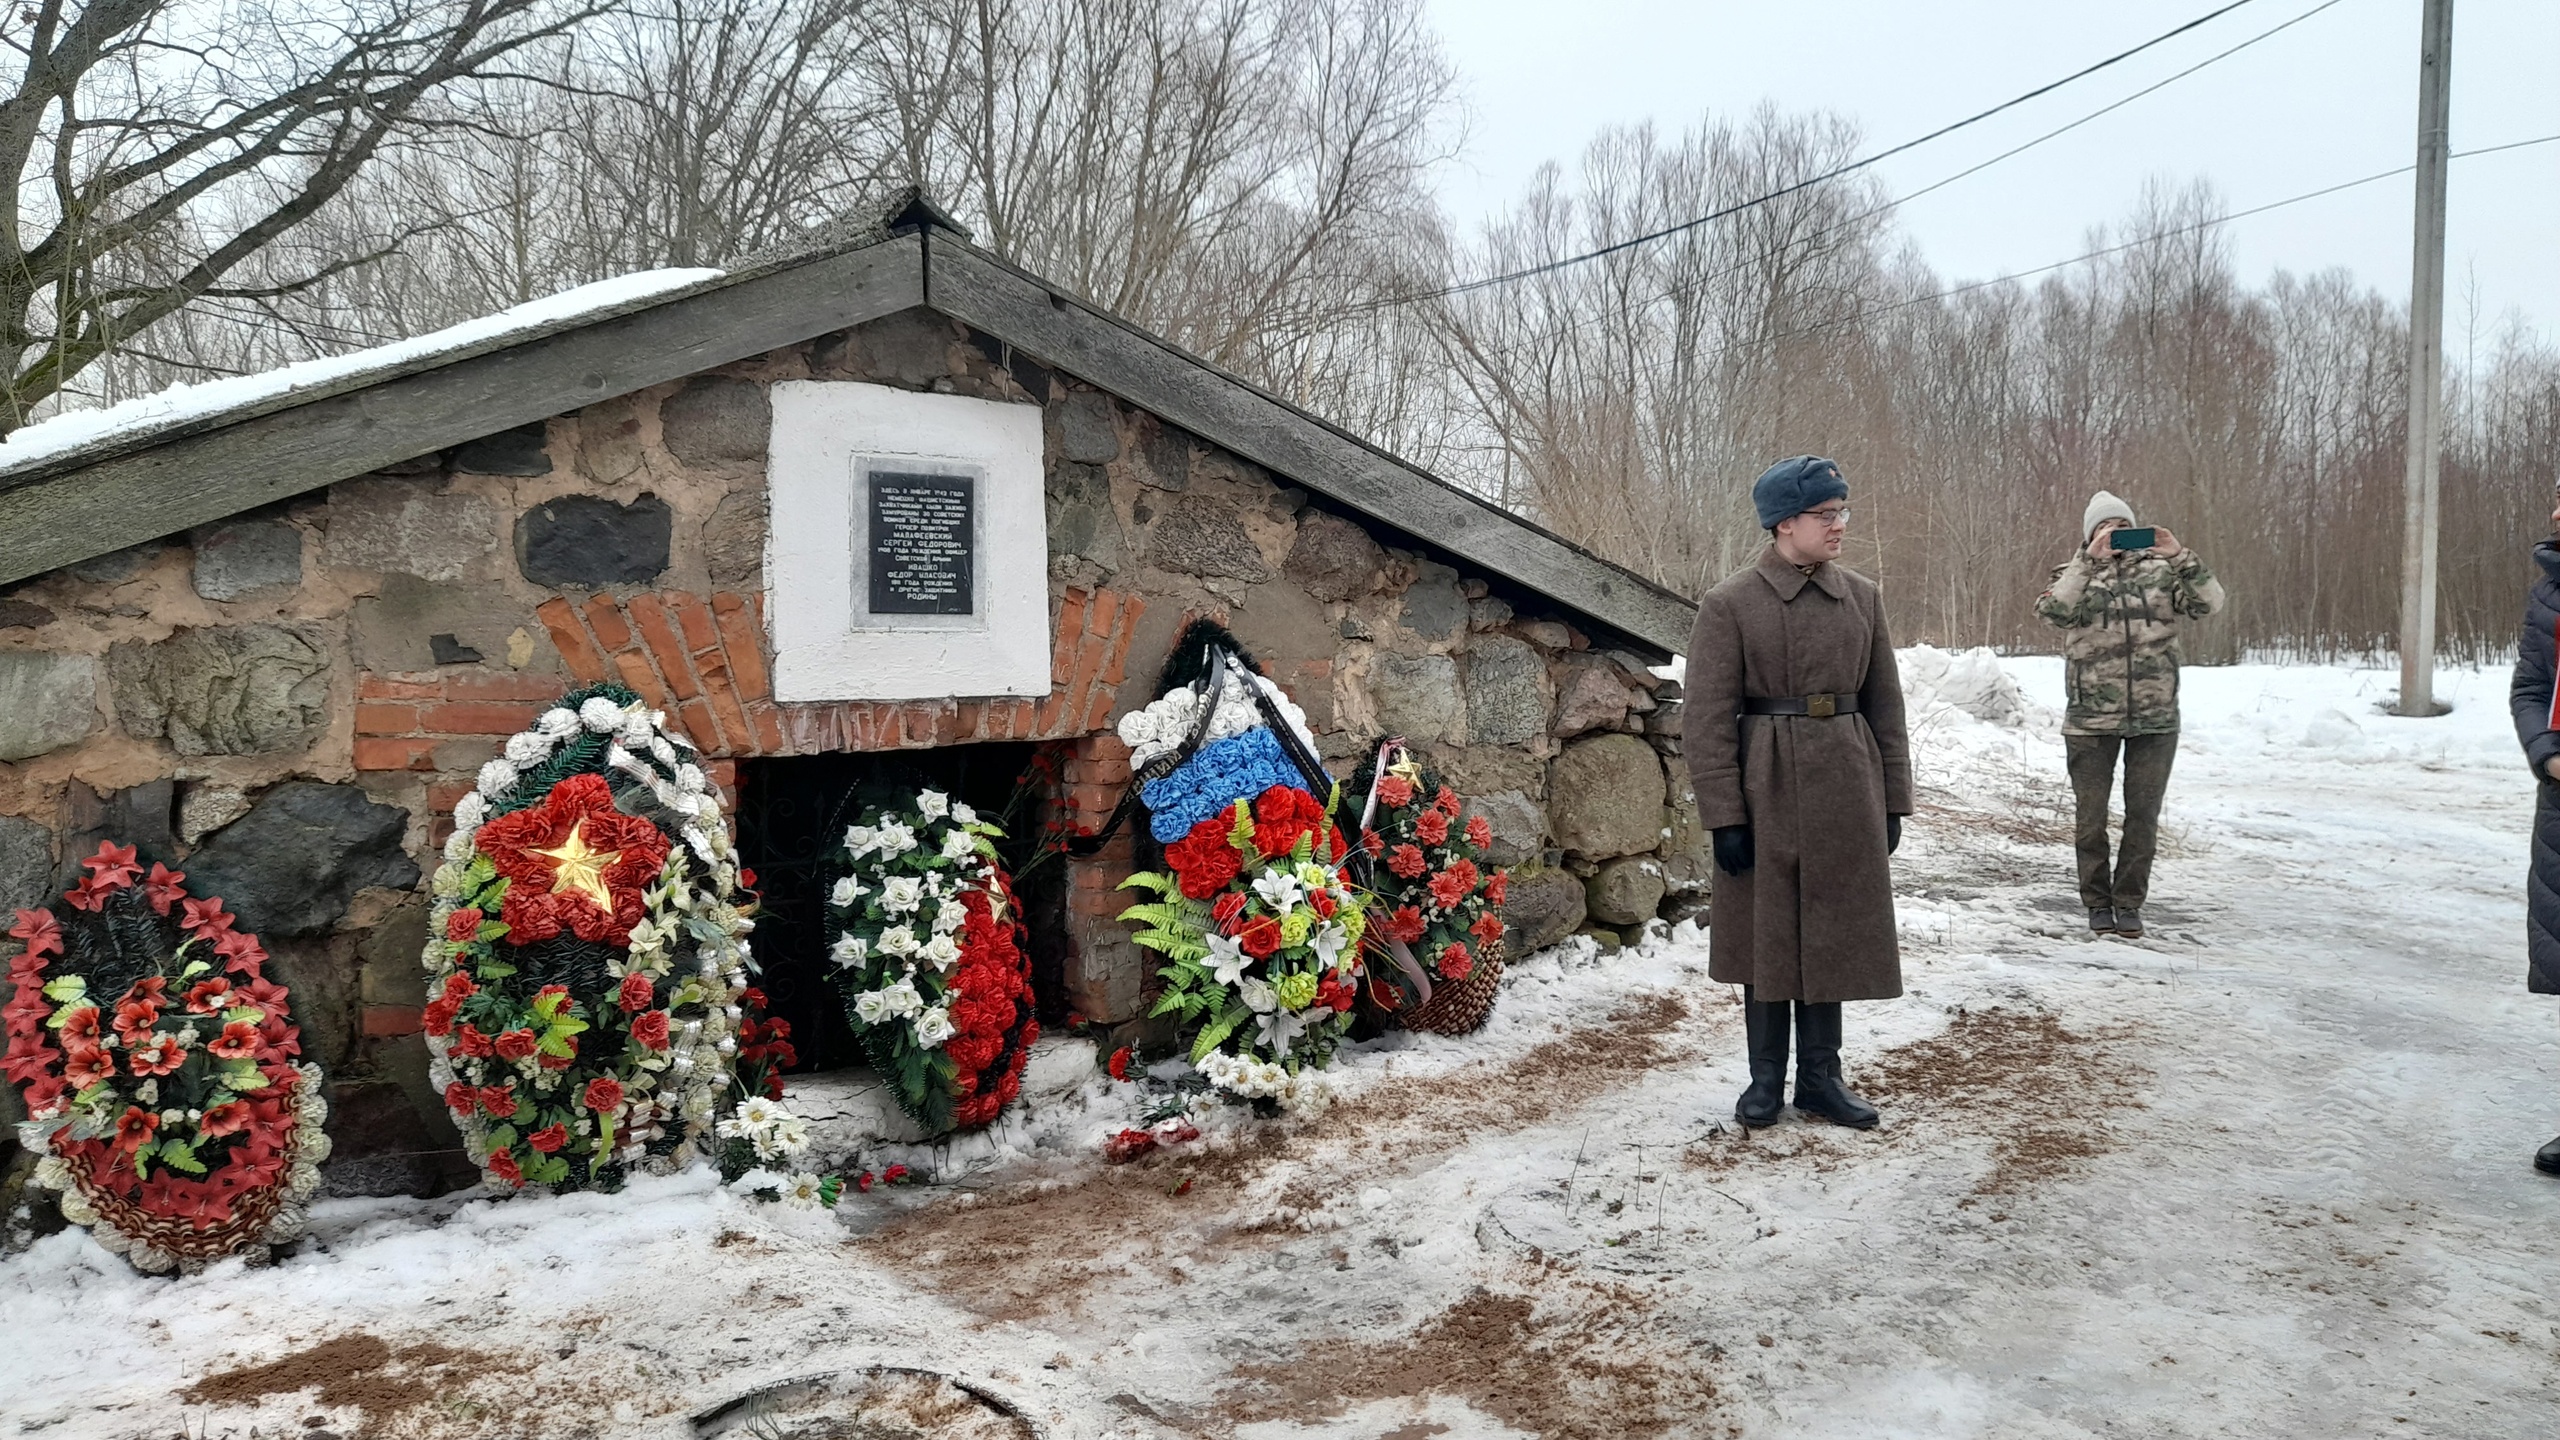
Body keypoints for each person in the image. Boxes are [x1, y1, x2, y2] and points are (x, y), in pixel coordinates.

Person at [1683, 455, 1912, 1130]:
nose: (1840, 524)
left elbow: (1887, 706)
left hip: (1847, 783)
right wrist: (1725, 813)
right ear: (1785, 524)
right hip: (1766, 789)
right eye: (1826, 514)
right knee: (1768, 936)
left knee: (1834, 932)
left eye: (1843, 511)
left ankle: (1821, 1079)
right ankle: (1764, 1081)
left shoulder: (1863, 598)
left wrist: (1893, 800)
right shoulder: (1730, 604)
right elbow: (1705, 718)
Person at [2035, 491, 2225, 941]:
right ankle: (2097, 903)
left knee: (2143, 817)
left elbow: (2210, 603)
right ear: (2090, 534)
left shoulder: (2163, 574)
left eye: (2124, 526)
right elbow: (2052, 612)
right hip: (2090, 720)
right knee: (2090, 819)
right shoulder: (2072, 576)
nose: (2117, 535)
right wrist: (2088, 560)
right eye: (2106, 528)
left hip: (2155, 718)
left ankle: (2129, 903)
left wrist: (2179, 555)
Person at [2506, 485, 2560, 1176]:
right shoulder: (2546, 593)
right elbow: (2528, 688)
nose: (2554, 514)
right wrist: (2545, 752)